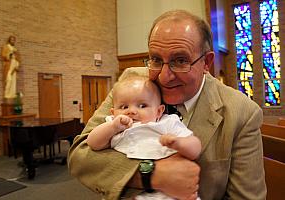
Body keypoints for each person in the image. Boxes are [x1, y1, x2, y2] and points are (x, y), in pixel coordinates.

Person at [68, 10, 266, 200]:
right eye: (155, 59)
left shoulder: (242, 112)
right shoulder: (132, 84)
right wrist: (150, 175)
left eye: (180, 60)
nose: (164, 77)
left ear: (207, 62)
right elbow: (80, 156)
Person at [86, 76, 202, 200]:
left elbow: (195, 148)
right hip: (131, 191)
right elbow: (93, 143)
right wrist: (113, 127)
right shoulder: (114, 126)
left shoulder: (167, 123)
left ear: (159, 111)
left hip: (170, 194)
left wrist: (179, 143)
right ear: (113, 112)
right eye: (124, 107)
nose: (131, 111)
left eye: (142, 105)